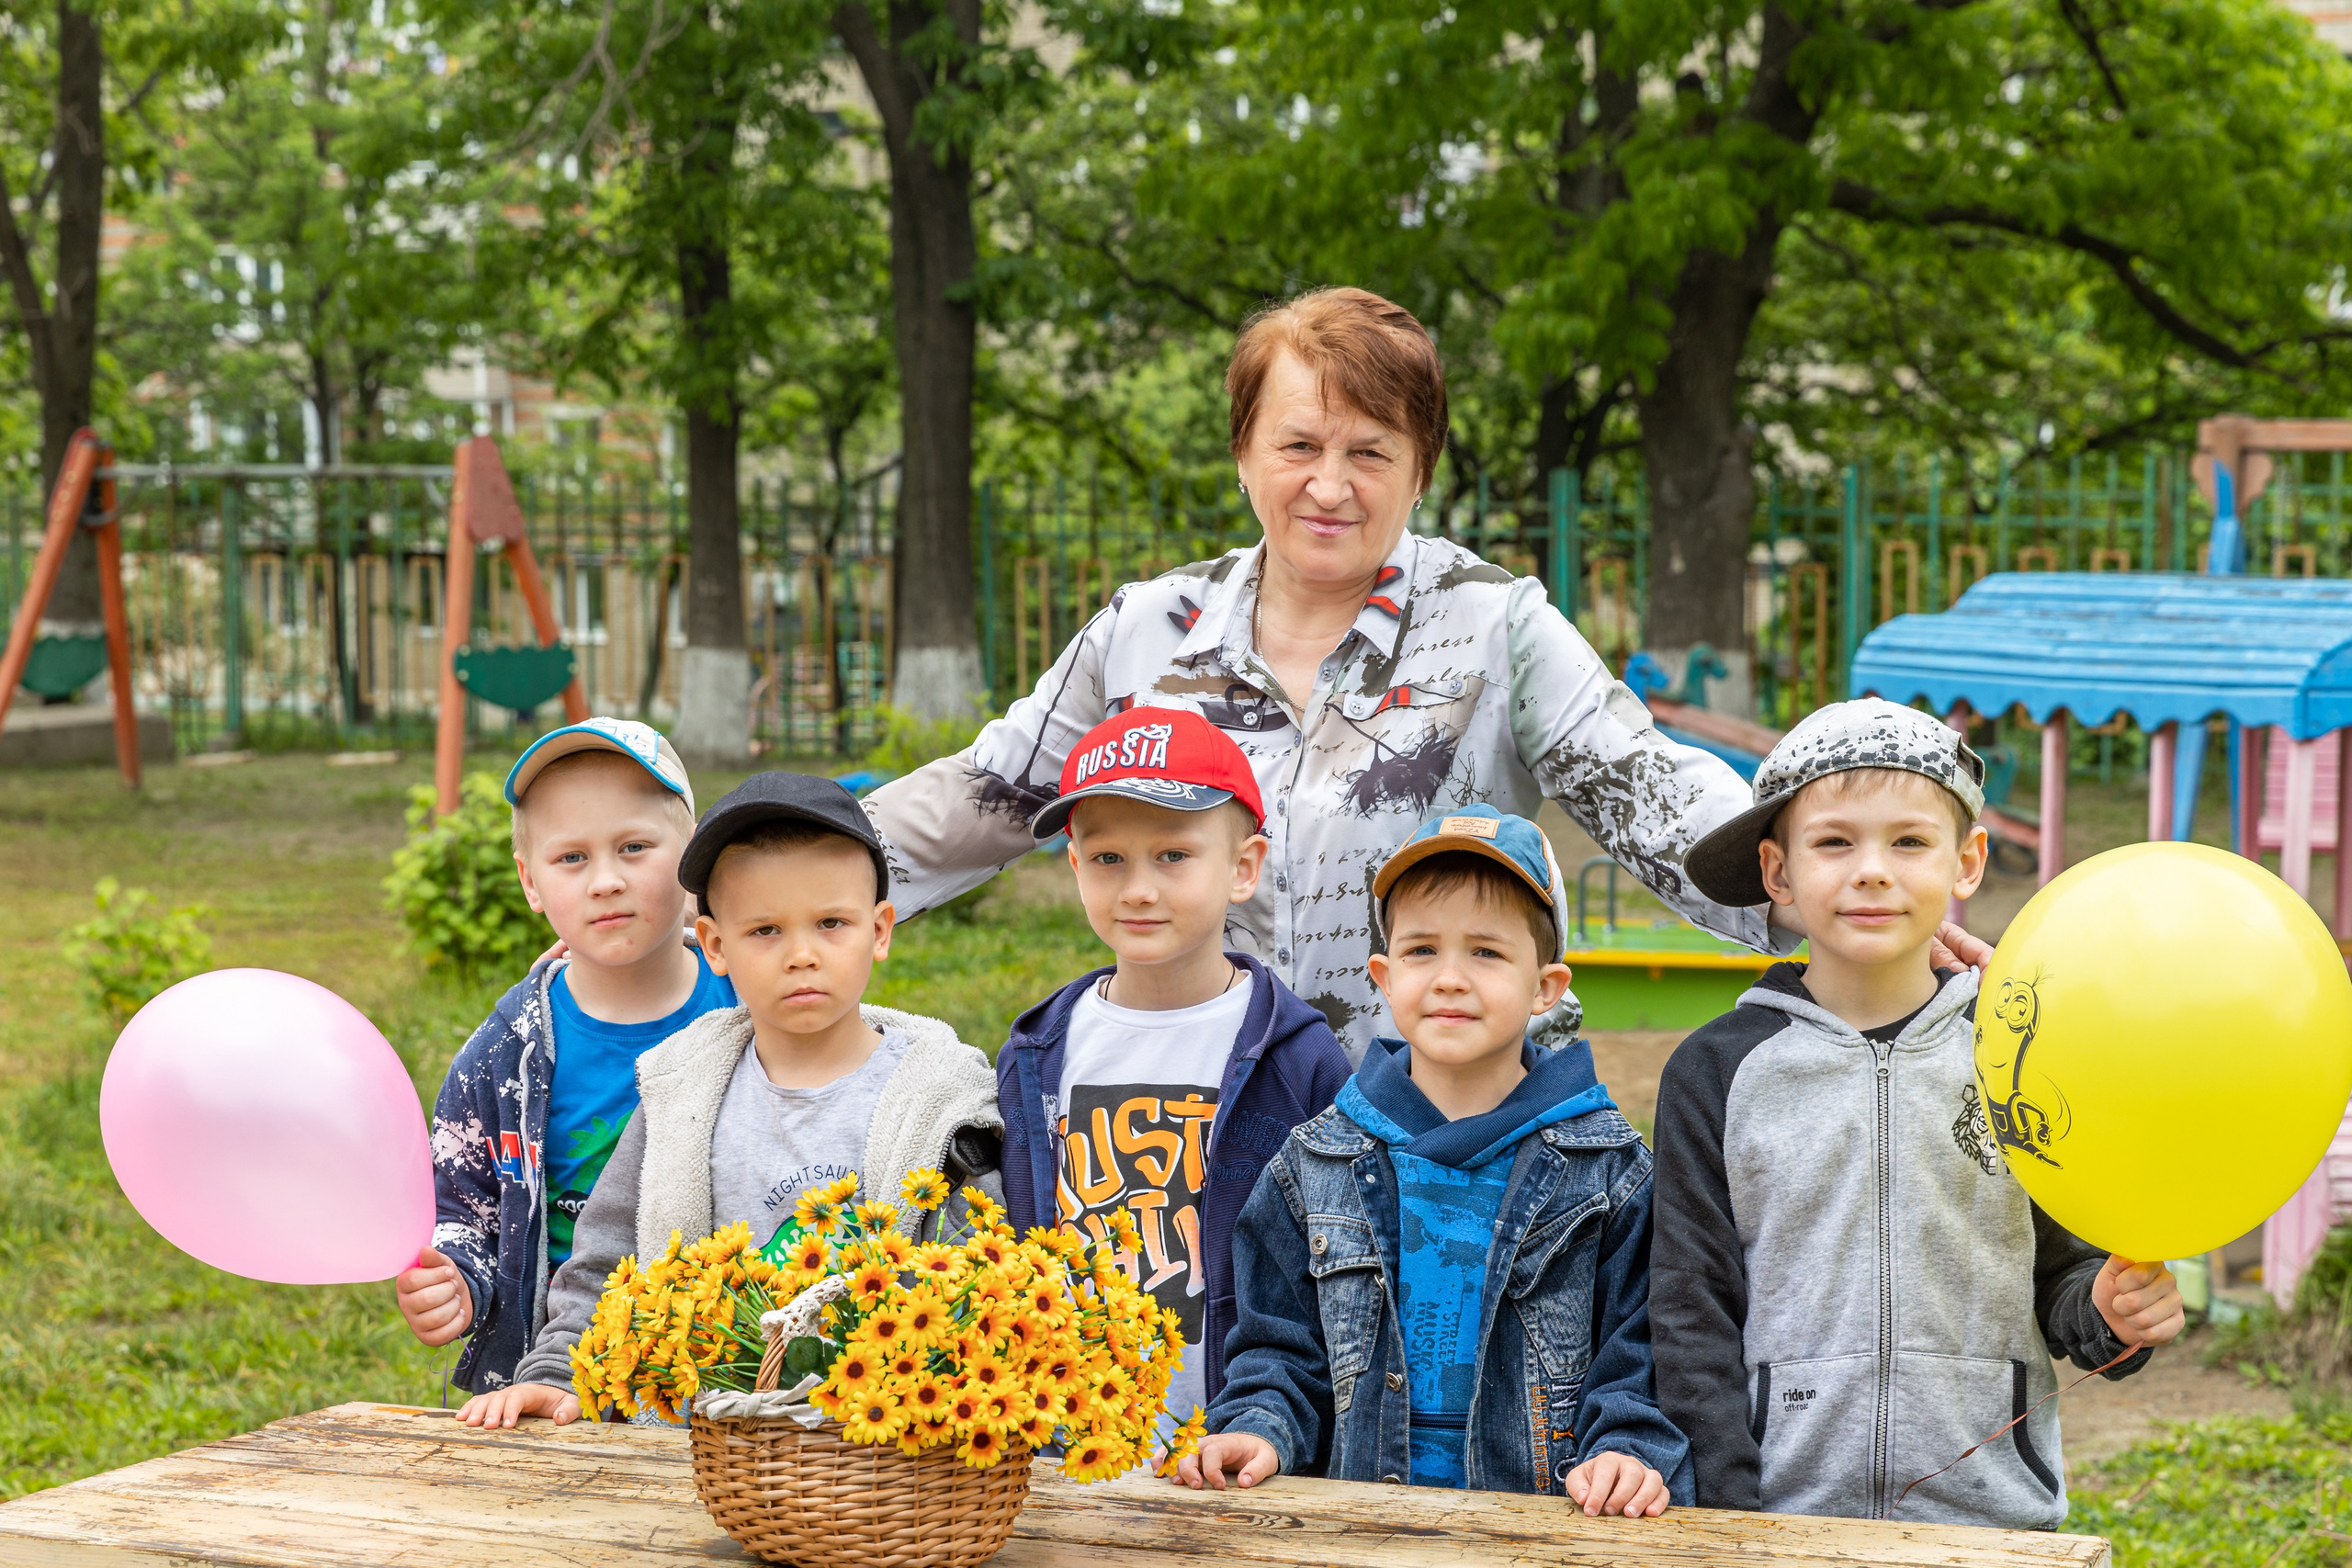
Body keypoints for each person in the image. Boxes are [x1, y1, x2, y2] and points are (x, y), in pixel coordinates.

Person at [861, 287, 2014, 1066]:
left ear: (1419, 468)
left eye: (1371, 452)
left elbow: (1649, 791)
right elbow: (986, 793)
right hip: (1206, 1106)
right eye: (1298, 446)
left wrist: (1837, 895)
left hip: (1445, 1120)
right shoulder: (1147, 630)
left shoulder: (1492, 624)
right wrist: (784, 868)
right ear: (1244, 453)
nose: (1330, 484)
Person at [1649, 699, 2184, 1529]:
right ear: (1778, 871)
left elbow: (2064, 1272)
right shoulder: (1714, 1071)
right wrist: (1727, 1512)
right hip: (1778, 1520)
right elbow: (1692, 1310)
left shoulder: (2020, 1056)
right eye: (1834, 841)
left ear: (1966, 861)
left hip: (1991, 1522)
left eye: (1909, 840)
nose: (1872, 870)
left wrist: (2112, 1315)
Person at [1181, 806, 1689, 1513]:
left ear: (1547, 986)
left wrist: (1627, 1450)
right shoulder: (1313, 1164)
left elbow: (1638, 1359)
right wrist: (1261, 1428)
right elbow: (1279, 1352)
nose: (1449, 977)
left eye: (1485, 952)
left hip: (1543, 1538)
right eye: (1422, 951)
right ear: (1384, 976)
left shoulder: (1610, 1172)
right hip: (1358, 1534)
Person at [459, 770, 1006, 1427]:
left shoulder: (935, 1104)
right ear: (716, 945)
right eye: (765, 931)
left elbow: (983, 1278)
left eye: (831, 922)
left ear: (880, 929)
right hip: (707, 1455)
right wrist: (561, 1370)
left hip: (883, 1458)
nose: (801, 954)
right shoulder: (682, 1091)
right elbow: (605, 1262)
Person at [997, 707, 1352, 1449]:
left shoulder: (1298, 1060)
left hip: (1239, 1441)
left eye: (1172, 855)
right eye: (1108, 859)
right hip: (1064, 1449)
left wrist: (1277, 1423)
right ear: (1074, 865)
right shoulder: (1037, 1054)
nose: (1137, 889)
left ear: (1243, 867)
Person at [394, 717, 737, 1394]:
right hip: (560, 1375)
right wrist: (456, 1277)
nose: (605, 880)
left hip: (730, 1362)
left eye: (634, 846)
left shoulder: (748, 1012)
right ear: (530, 881)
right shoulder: (504, 1053)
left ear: (693, 857)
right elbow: (460, 1204)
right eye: (571, 858)